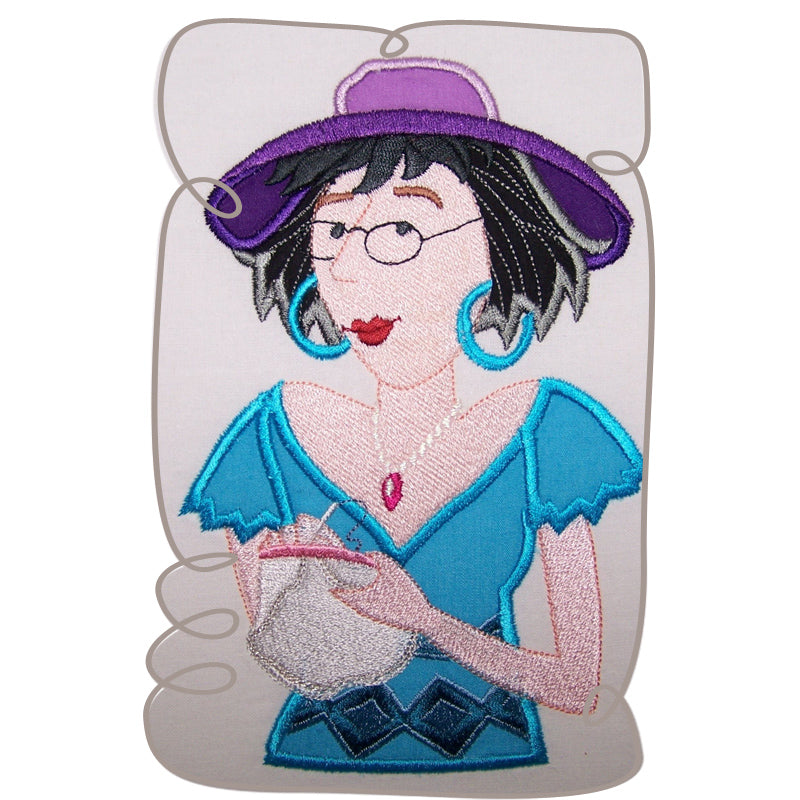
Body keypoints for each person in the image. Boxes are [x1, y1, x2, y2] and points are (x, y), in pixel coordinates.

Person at [183, 58, 642, 772]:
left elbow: (579, 688)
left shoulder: (551, 433)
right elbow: (273, 655)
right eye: (333, 231)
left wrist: (423, 619)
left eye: (403, 229)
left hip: (500, 761)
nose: (350, 270)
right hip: (305, 758)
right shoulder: (267, 439)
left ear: (499, 250)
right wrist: (295, 592)